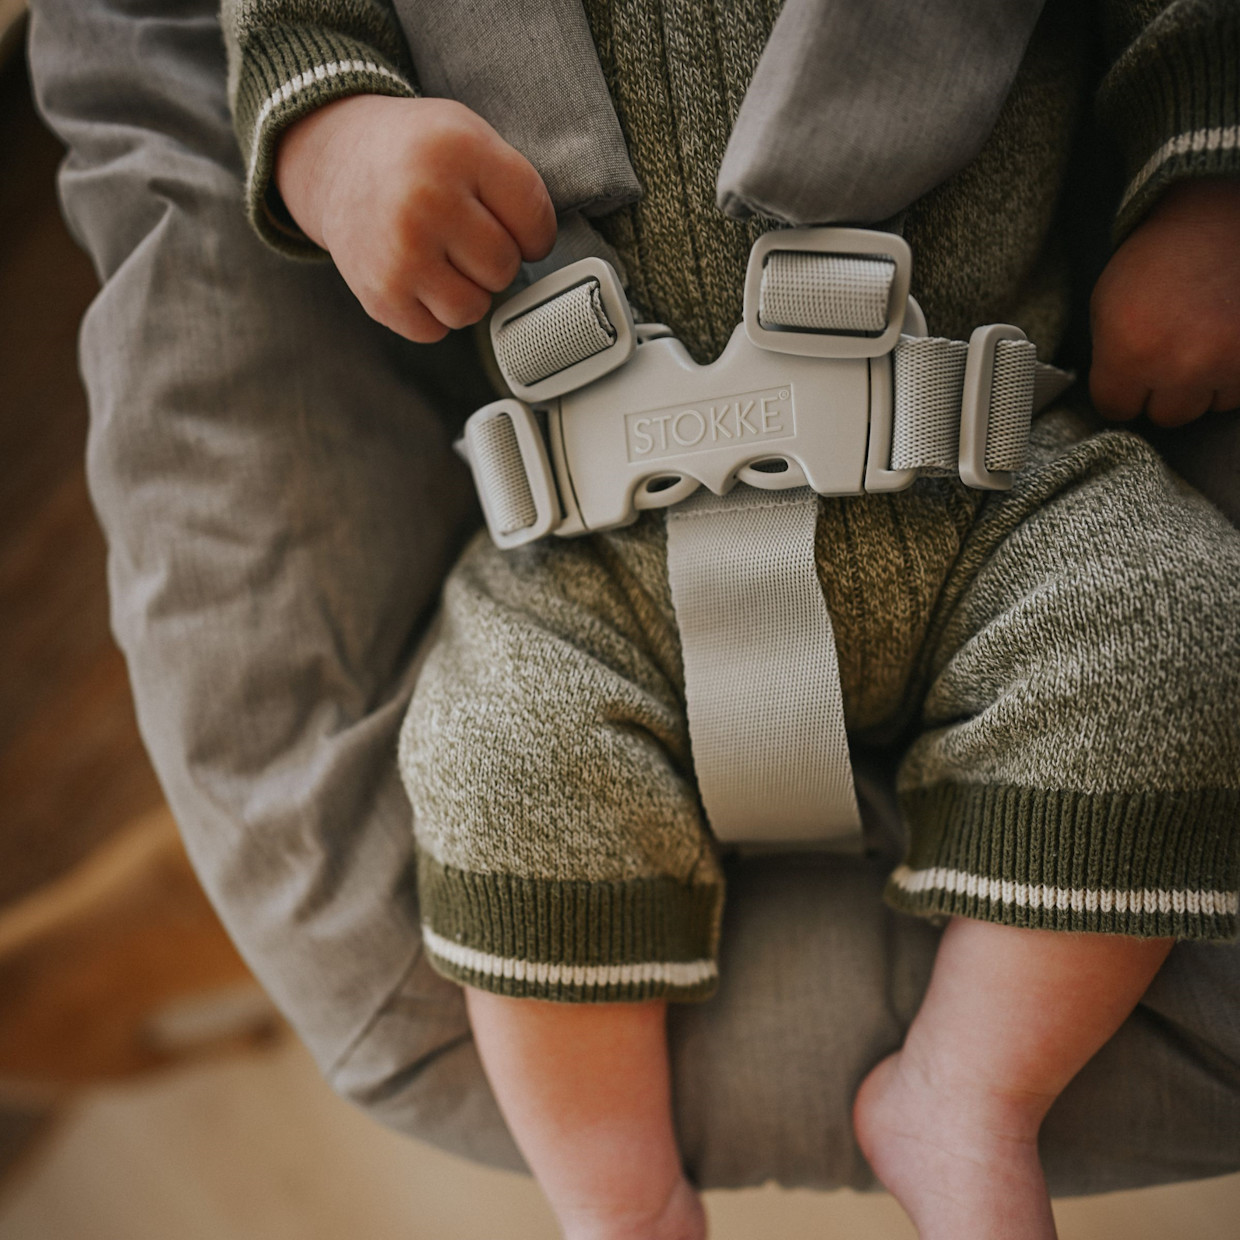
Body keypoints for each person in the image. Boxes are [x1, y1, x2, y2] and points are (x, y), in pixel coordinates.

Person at [222, 2, 1240, 1237]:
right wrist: (337, 140)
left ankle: (966, 1093)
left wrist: (1202, 191)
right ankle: (623, 1203)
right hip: (593, 544)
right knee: (492, 757)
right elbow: (286, 25)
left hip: (977, 478)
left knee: (1172, 630)